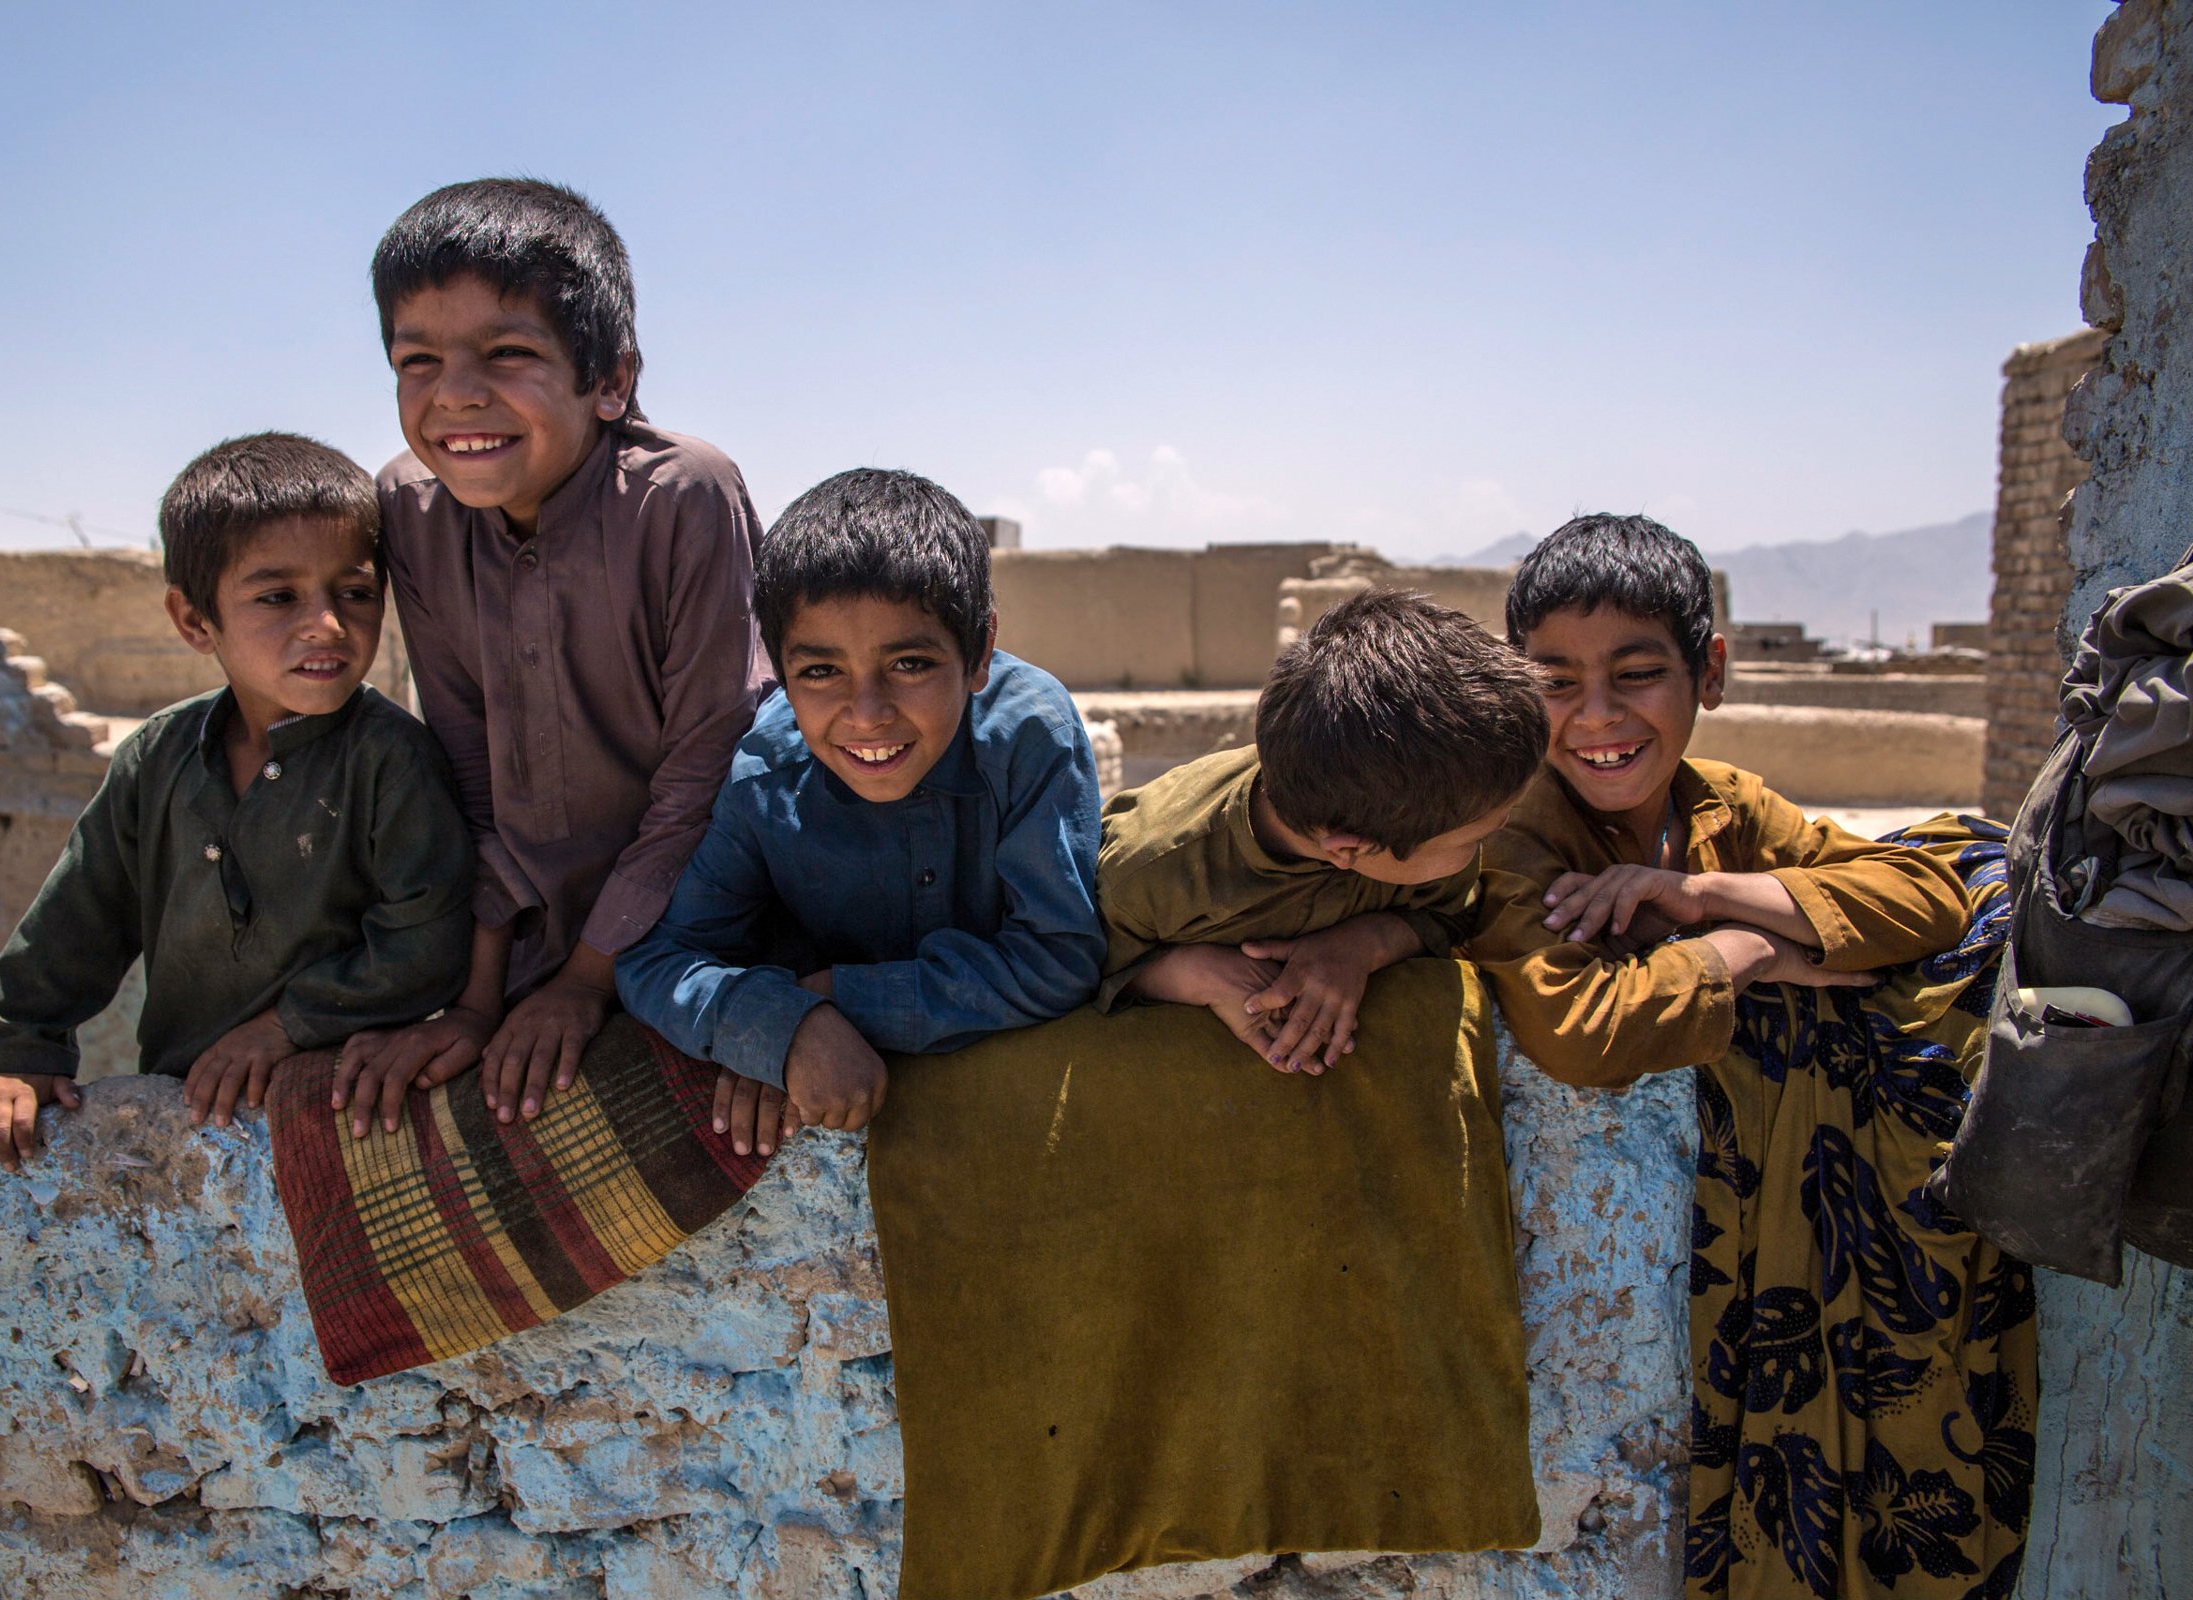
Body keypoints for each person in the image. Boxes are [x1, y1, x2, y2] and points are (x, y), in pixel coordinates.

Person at [1467, 513, 2035, 1599]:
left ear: (1710, 672)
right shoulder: (1518, 837)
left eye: (1637, 674)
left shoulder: (1723, 806)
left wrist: (1698, 895)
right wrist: (1753, 947)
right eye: (1556, 682)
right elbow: (1589, 1034)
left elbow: (1926, 892)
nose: (1597, 718)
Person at [334, 178, 770, 1141]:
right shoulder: (410, 506)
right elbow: (467, 763)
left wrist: (586, 981)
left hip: (696, 927)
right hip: (521, 948)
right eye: (418, 360)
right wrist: (481, 1000)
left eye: (509, 353)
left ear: (611, 379)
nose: (454, 393)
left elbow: (708, 767)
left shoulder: (683, 498)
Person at [0, 433, 475, 1167]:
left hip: (330, 1111)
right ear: (196, 621)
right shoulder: (157, 757)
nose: (326, 623)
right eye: (277, 596)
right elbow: (80, 917)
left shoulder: (392, 759)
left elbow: (429, 939)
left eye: (354, 593)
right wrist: (17, 1049)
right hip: (184, 1108)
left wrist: (283, 1026)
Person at [615, 468, 1104, 1158]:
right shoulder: (766, 774)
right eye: (820, 672)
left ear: (980, 651)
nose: (867, 714)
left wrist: (839, 1000)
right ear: (779, 670)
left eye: (909, 664)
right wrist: (782, 1026)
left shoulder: (1027, 736)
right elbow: (659, 960)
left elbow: (1059, 957)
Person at [1096, 588, 1547, 1074]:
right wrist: (1186, 975)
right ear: (1347, 849)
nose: (1484, 847)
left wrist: (1360, 946)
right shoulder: (1149, 873)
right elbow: (1073, 967)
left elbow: (1454, 914)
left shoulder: (1421, 807)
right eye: (1474, 841)